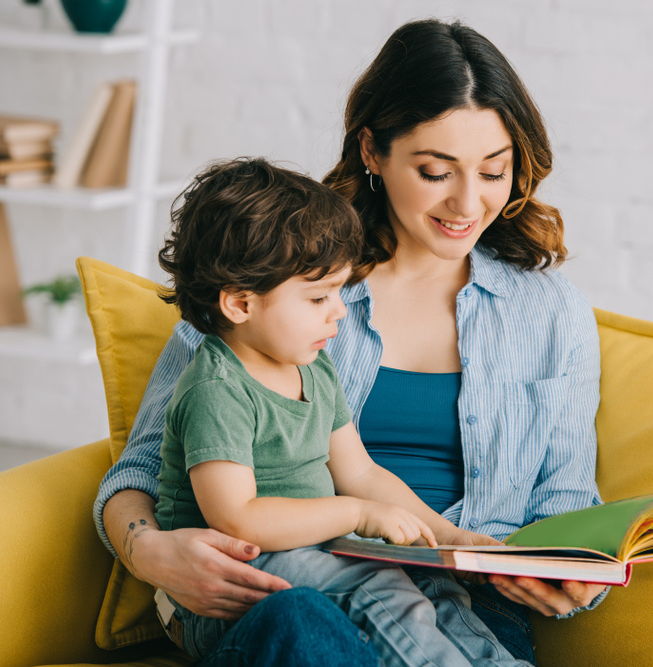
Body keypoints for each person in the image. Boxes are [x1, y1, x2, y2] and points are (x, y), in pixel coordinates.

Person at [94, 17, 606, 665]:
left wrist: (574, 574)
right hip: (280, 588)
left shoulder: (549, 311)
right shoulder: (267, 281)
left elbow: (564, 498)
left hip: (465, 599)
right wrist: (150, 549)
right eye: (434, 170)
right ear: (372, 151)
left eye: (493, 171)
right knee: (303, 622)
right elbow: (138, 472)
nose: (467, 202)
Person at [152, 156, 527, 666]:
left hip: (312, 556)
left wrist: (445, 535)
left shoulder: (313, 368)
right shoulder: (217, 389)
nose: (340, 310)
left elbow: (361, 472)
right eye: (317, 297)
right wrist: (357, 514)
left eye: (339, 291)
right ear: (240, 304)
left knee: (430, 592)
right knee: (374, 589)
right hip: (232, 588)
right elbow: (238, 518)